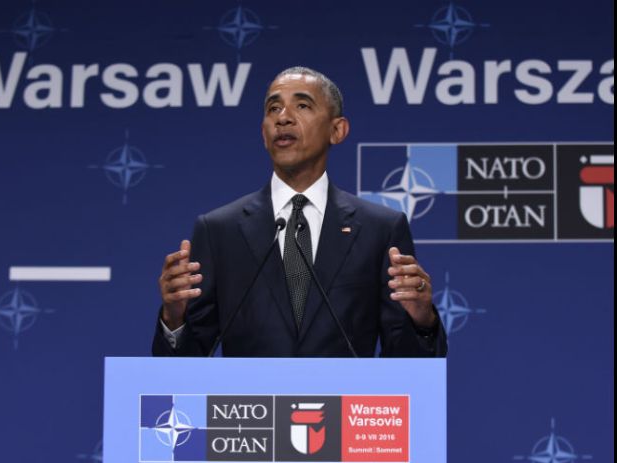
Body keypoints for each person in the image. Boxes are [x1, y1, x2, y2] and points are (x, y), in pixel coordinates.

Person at [152, 66, 447, 357]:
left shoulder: (380, 229)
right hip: (249, 404)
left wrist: (421, 320)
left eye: (302, 105)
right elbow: (184, 370)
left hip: (346, 403)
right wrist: (174, 318)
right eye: (273, 109)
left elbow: (407, 369)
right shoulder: (219, 230)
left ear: (337, 130)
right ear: (263, 134)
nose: (284, 118)